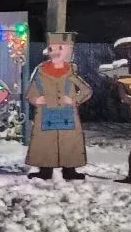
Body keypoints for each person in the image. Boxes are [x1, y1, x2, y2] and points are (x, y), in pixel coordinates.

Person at [26, 31, 92, 181]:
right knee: (45, 142)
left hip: (68, 114)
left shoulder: (71, 73)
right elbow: (30, 93)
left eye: (60, 48)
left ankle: (69, 170)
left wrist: (74, 100)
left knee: (68, 142)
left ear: (68, 51)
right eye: (52, 49)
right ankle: (45, 170)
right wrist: (36, 99)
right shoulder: (41, 72)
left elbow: (87, 91)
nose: (55, 52)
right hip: (45, 114)